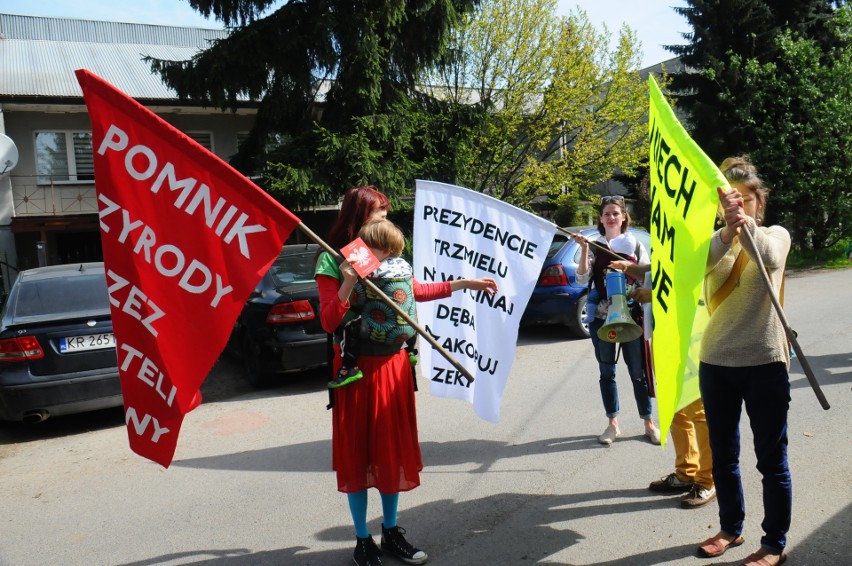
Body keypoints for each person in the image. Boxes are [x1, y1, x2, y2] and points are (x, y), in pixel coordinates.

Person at [315, 186, 498, 566]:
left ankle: (392, 531)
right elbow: (329, 320)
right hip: (355, 370)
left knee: (390, 450)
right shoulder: (332, 260)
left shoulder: (388, 255)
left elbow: (412, 292)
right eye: (379, 215)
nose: (385, 222)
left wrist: (462, 284)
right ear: (359, 217)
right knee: (359, 452)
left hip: (394, 366)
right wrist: (348, 280)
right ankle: (362, 539)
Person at [695, 157, 791, 566]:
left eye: (746, 199)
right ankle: (731, 529)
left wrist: (744, 223)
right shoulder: (714, 240)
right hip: (716, 363)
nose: (738, 205)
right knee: (724, 455)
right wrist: (726, 229)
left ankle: (774, 544)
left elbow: (767, 257)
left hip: (765, 362)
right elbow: (699, 266)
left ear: (758, 202)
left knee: (771, 460)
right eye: (729, 199)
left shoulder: (776, 234)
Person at [611, 259, 716, 508]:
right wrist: (629, 268)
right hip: (662, 333)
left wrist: (654, 295)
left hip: (691, 335)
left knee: (698, 410)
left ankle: (708, 480)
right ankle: (685, 473)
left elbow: (697, 280)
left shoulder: (699, 234)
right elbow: (660, 269)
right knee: (673, 407)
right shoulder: (667, 232)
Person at [573, 195, 660, 446]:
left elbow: (648, 275)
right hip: (602, 319)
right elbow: (581, 279)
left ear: (623, 217)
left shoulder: (635, 244)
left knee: (638, 372)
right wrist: (585, 249)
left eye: (615, 213)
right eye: (607, 214)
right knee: (606, 371)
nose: (611, 217)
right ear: (600, 219)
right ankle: (612, 423)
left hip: (631, 317)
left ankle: (648, 422)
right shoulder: (594, 244)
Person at [583, 232, 638, 325]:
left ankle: (590, 315)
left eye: (616, 215)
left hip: (630, 320)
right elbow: (583, 278)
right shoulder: (595, 247)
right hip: (601, 315)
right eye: (607, 215)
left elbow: (644, 277)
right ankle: (591, 316)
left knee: (592, 298)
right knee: (629, 297)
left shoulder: (637, 249)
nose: (611, 217)